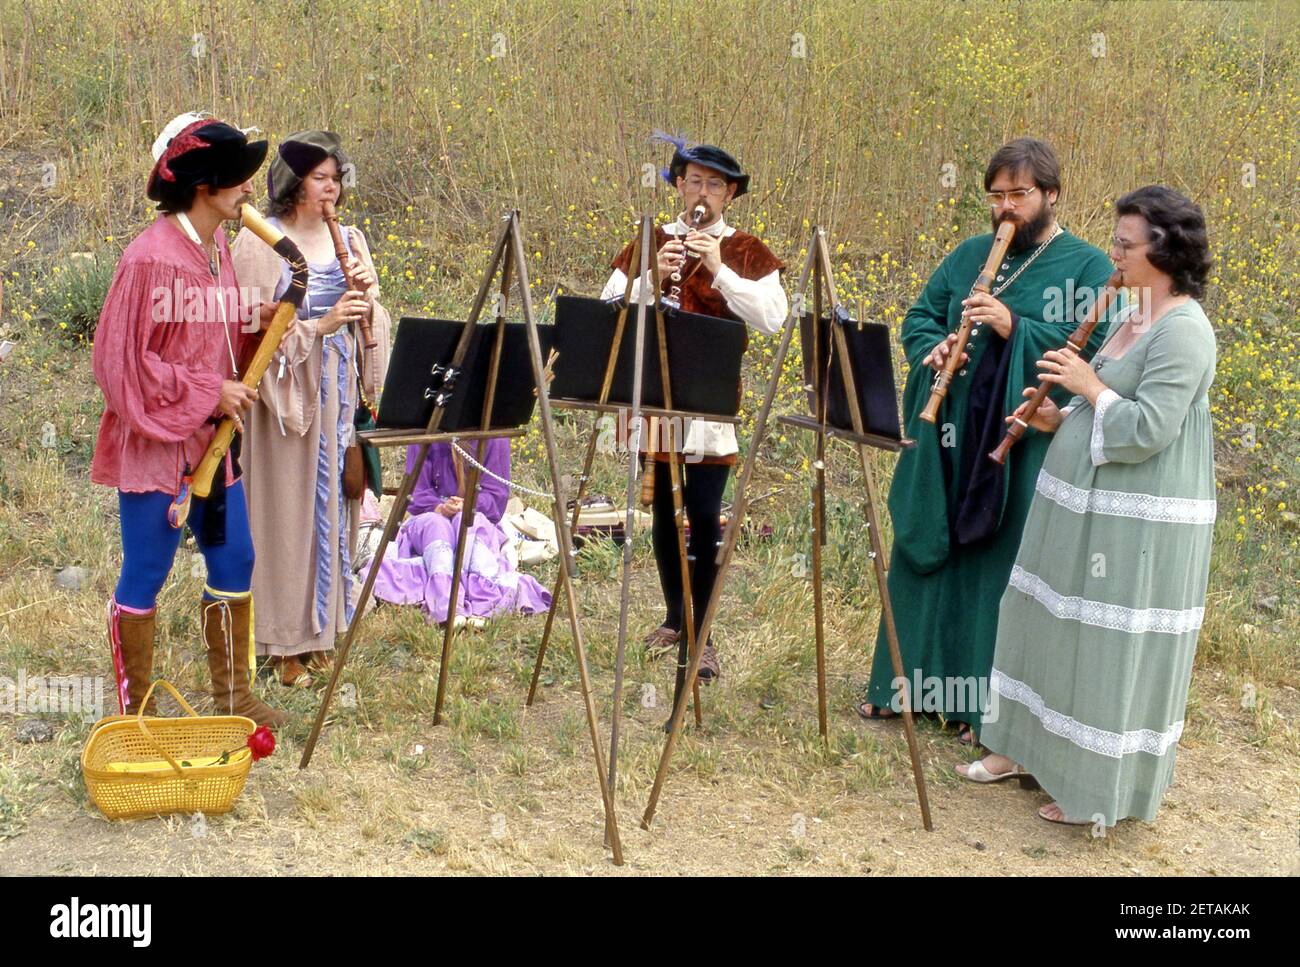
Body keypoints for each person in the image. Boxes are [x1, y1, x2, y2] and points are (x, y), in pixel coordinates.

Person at [959, 186, 1216, 827]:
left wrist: (1087, 384)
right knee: (1044, 619)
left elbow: (1146, 429)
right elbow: (1101, 407)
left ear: (1165, 250)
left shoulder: (1185, 331)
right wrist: (1056, 412)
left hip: (1134, 521)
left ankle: (1094, 789)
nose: (1114, 254)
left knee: (1102, 644)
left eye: (1125, 245)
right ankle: (1021, 749)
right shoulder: (1133, 313)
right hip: (1078, 506)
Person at [858, 138, 1115, 743]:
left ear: (1050, 194)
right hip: (947, 431)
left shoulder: (1087, 265)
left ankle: (983, 709)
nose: (1005, 208)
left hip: (1015, 438)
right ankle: (901, 689)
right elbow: (921, 317)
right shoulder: (971, 254)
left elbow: (1097, 350)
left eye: (1018, 195)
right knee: (925, 544)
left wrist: (1013, 327)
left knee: (997, 562)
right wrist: (934, 349)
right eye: (996, 196)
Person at [92, 112, 286, 727]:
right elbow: (120, 365)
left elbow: (209, 334)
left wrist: (258, 319)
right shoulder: (150, 260)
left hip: (215, 445)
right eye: (239, 180)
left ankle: (233, 697)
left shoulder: (215, 246)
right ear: (205, 186)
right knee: (147, 570)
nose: (251, 190)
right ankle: (138, 713)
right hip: (157, 448)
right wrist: (210, 391)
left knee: (235, 560)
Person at [599, 134, 787, 682]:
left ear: (729, 196)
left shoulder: (749, 251)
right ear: (678, 187)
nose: (701, 192)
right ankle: (675, 617)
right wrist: (653, 275)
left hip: (709, 410)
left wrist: (720, 270)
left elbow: (772, 318)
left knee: (703, 518)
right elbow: (609, 309)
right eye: (693, 181)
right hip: (654, 403)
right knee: (660, 511)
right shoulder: (648, 242)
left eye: (714, 185)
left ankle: (702, 633)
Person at [231, 131, 391, 688]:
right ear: (295, 184)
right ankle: (281, 642)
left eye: (337, 178)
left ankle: (323, 630)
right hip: (283, 402)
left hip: (337, 396)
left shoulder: (350, 238)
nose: (333, 188)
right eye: (322, 178)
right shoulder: (261, 242)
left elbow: (374, 323)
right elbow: (245, 333)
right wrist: (317, 328)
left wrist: (369, 303)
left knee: (333, 511)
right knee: (285, 515)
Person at [368, 440, 552, 624]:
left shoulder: (495, 436)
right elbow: (416, 491)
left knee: (468, 524)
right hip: (430, 518)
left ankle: (483, 604)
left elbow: (496, 497)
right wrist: (438, 507)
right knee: (436, 526)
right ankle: (445, 604)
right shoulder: (428, 428)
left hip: (475, 517)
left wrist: (469, 505)